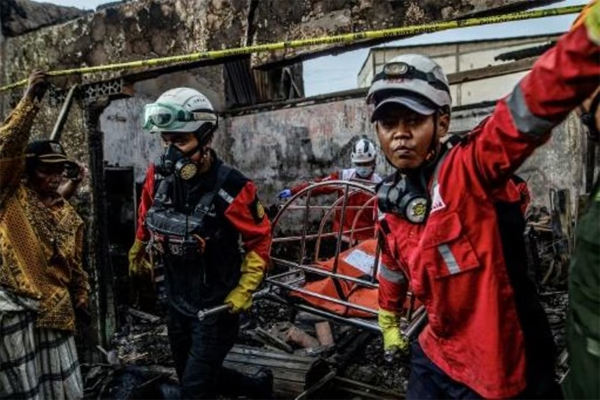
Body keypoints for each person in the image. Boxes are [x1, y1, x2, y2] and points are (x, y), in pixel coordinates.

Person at [373, 3, 600, 398]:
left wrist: (586, 43)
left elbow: (524, 112)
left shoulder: (470, 170)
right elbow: (392, 267)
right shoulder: (393, 202)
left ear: (442, 122)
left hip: (495, 366)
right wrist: (388, 317)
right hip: (438, 351)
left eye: (413, 120)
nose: (400, 135)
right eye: (389, 123)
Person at [128, 87, 273, 398]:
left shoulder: (233, 187)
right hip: (177, 301)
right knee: (192, 376)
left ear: (206, 139)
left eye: (180, 142)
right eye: (166, 141)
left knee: (194, 389)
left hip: (216, 307)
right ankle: (257, 387)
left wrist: (245, 288)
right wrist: (138, 247)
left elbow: (259, 238)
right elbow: (146, 212)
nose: (170, 154)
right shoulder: (158, 177)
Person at [0, 70, 90, 399]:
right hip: (15, 311)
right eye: (44, 169)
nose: (53, 178)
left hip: (55, 311)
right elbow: (5, 148)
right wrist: (28, 101)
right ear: (26, 171)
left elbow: (74, 262)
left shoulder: (67, 213)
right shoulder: (11, 197)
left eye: (58, 170)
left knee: (61, 390)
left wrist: (81, 294)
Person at [279, 137, 383, 243]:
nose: (362, 167)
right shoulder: (344, 177)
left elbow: (383, 217)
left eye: (366, 163)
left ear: (374, 161)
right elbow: (320, 185)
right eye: (359, 164)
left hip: (366, 240)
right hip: (343, 237)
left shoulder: (379, 185)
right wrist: (295, 191)